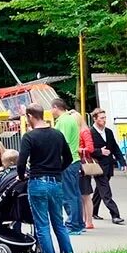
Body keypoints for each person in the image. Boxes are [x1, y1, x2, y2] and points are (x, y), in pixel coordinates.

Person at [18, 103, 74, 253]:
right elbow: (69, 157)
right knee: (59, 223)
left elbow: (21, 162)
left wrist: (21, 176)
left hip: (37, 181)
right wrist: (57, 170)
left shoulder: (29, 137)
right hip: (56, 182)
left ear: (30, 116)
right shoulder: (57, 134)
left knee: (42, 225)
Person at [51, 99, 84, 236]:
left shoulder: (63, 121)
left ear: (55, 107)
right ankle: (78, 223)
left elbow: (62, 141)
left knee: (68, 195)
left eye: (51, 109)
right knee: (75, 194)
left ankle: (72, 224)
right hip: (74, 160)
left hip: (67, 162)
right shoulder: (70, 119)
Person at [87, 108, 124, 224]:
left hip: (108, 165)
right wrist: (100, 152)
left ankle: (93, 210)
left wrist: (121, 162)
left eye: (105, 117)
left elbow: (115, 147)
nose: (104, 120)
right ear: (95, 119)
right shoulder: (90, 132)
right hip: (97, 166)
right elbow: (89, 150)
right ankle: (115, 214)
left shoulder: (108, 132)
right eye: (101, 118)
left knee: (100, 189)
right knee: (105, 190)